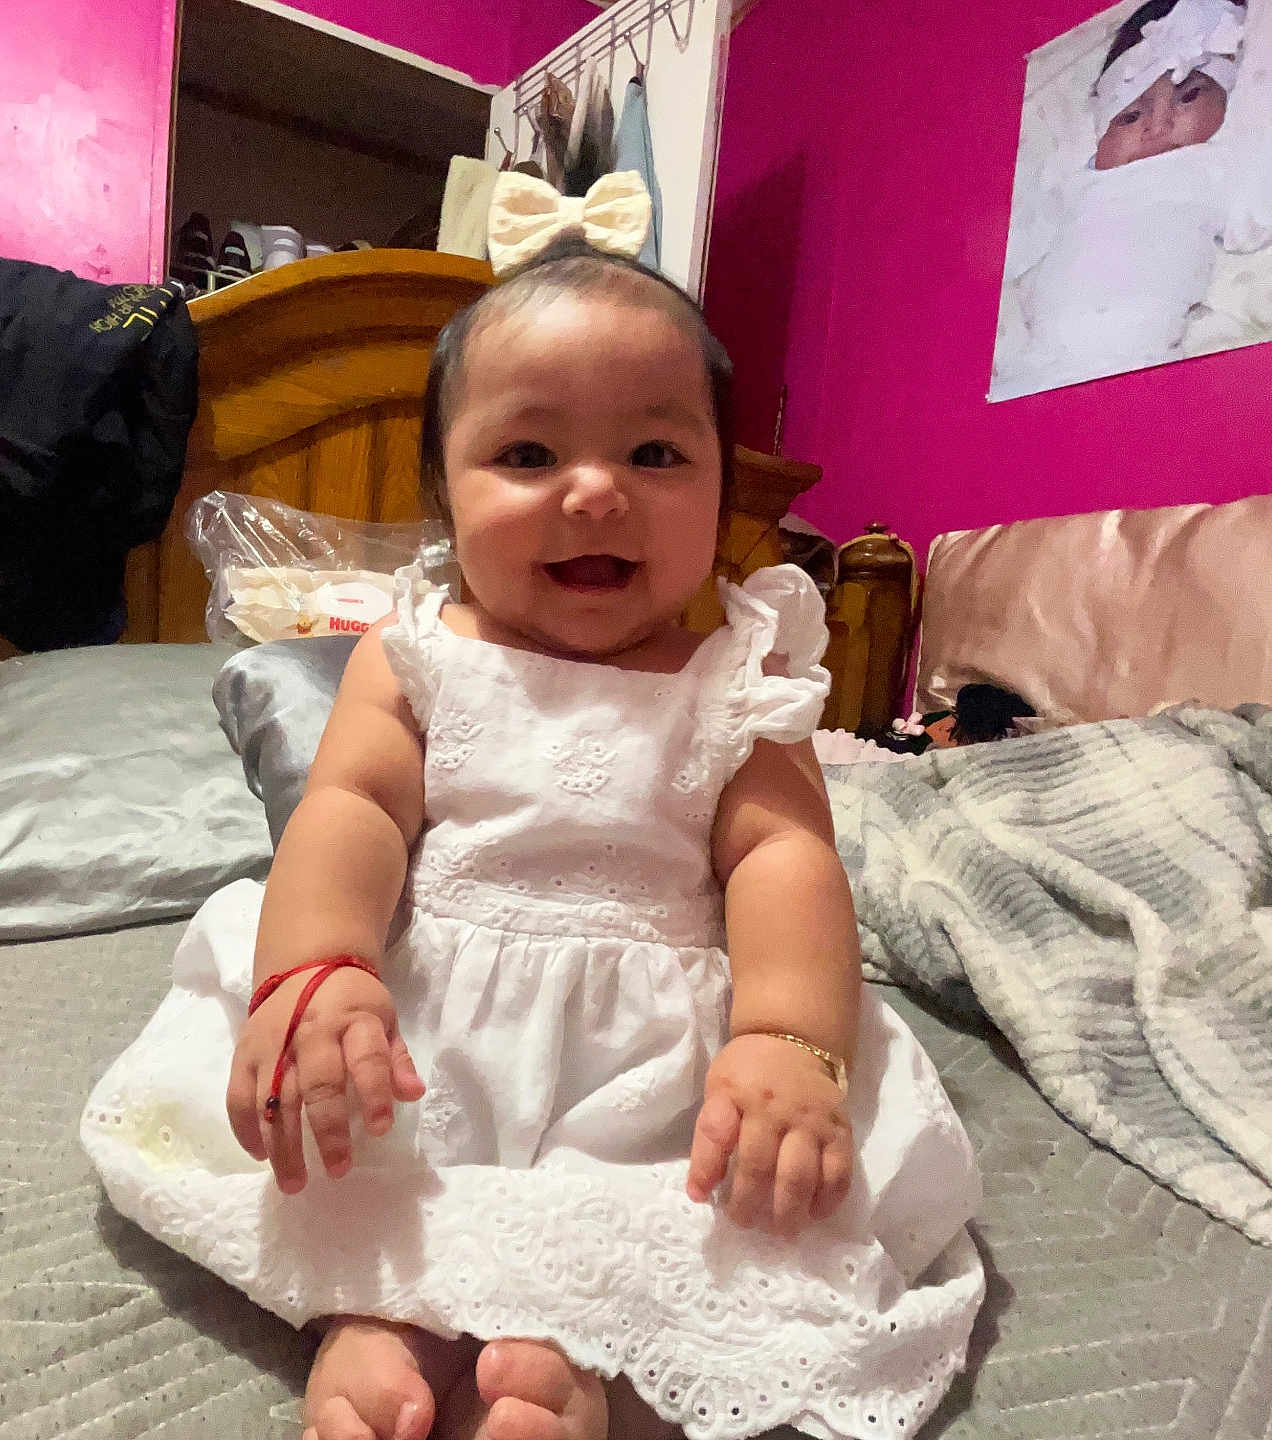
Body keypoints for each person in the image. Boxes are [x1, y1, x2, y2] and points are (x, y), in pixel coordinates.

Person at [83, 183, 983, 1440]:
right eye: (527, 454)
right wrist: (317, 969)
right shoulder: (417, 655)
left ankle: (569, 1353)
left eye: (657, 453)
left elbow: (786, 857)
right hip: (430, 1015)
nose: (596, 491)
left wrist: (787, 1039)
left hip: (651, 1044)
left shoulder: (741, 670)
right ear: (446, 499)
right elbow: (350, 812)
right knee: (374, 1154)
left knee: (668, 1197)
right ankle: (375, 1317)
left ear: (725, 493)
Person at [999, 0, 1271, 394]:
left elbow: (1255, 212)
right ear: (1101, 131)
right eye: (1130, 116)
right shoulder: (1074, 182)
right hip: (1033, 366)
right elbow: (1008, 249)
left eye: (1189, 96)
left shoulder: (1212, 167)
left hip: (1136, 363)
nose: (1159, 125)